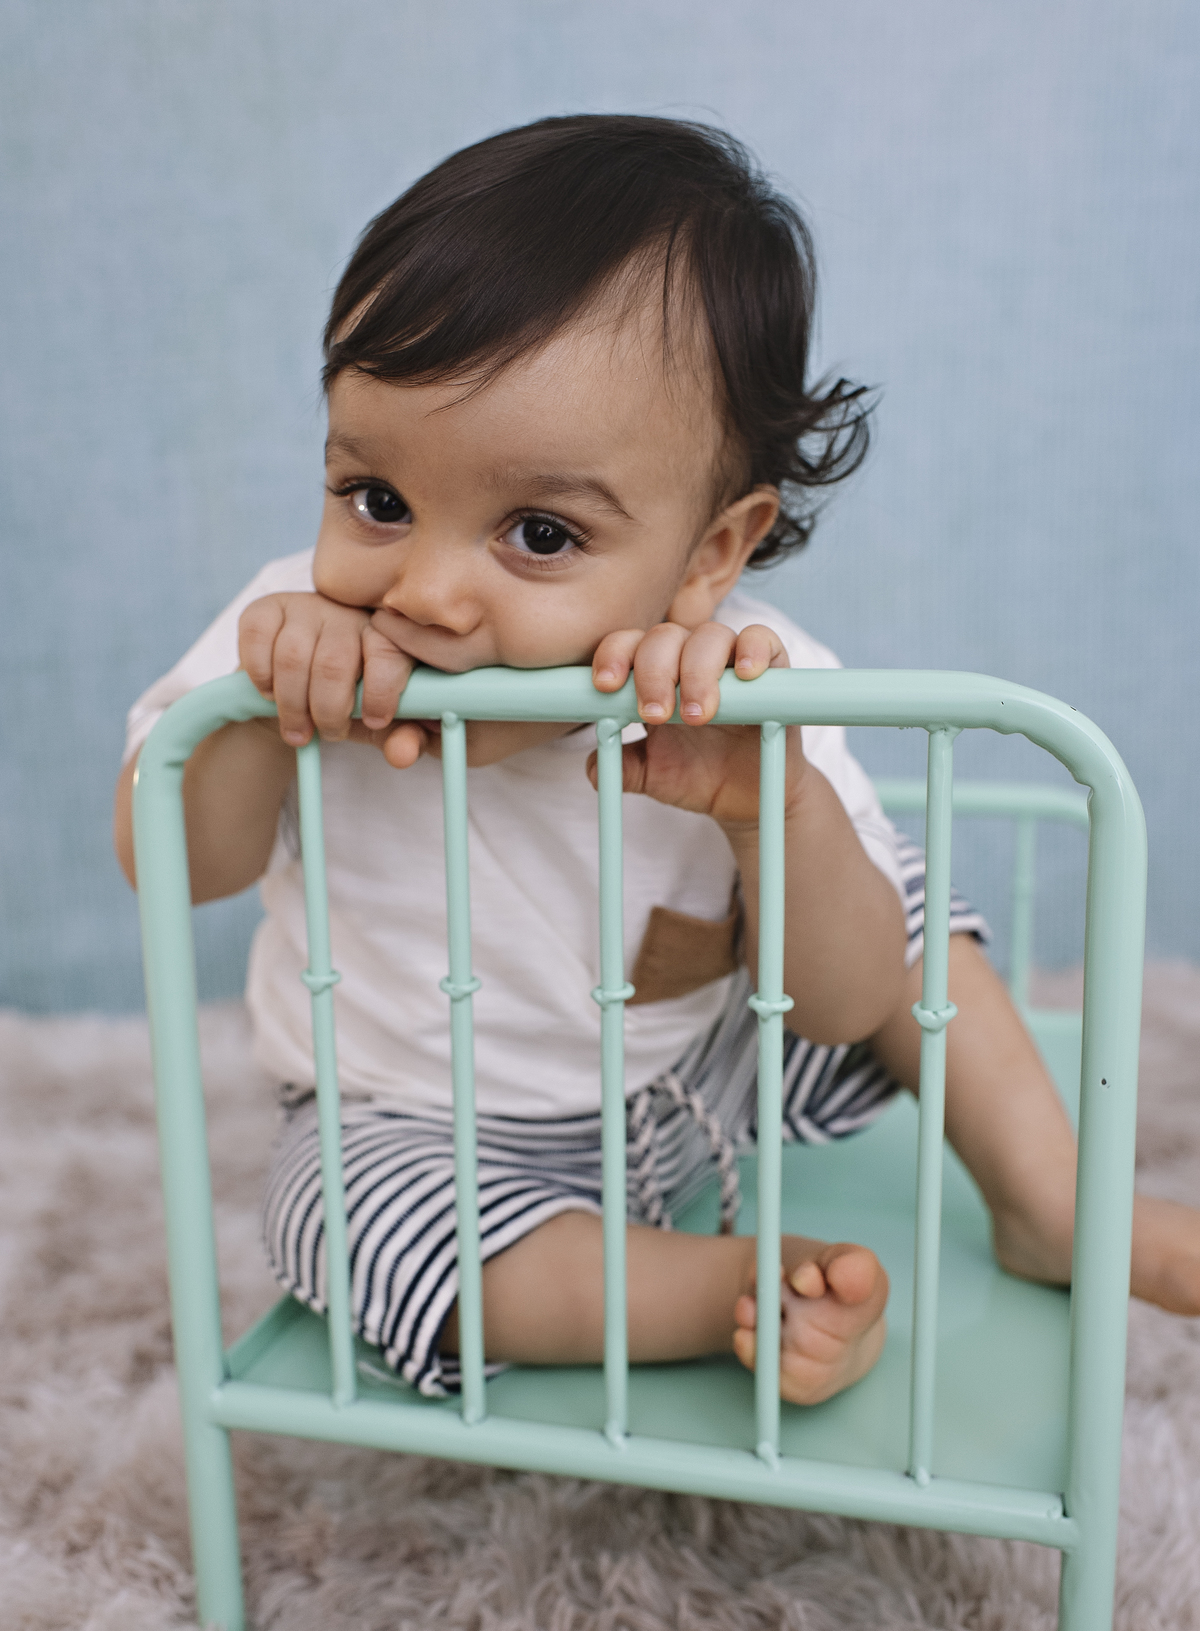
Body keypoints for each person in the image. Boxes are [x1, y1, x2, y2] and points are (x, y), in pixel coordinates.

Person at [114, 116, 1200, 1409]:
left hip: (703, 1075)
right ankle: (719, 1285)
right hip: (423, 1127)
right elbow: (174, 862)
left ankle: (1050, 1201)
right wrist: (256, 709)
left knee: (893, 893)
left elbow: (846, 1006)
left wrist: (770, 812)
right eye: (379, 499)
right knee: (335, 1222)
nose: (429, 591)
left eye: (537, 532)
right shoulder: (292, 626)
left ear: (708, 554)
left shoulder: (743, 678)